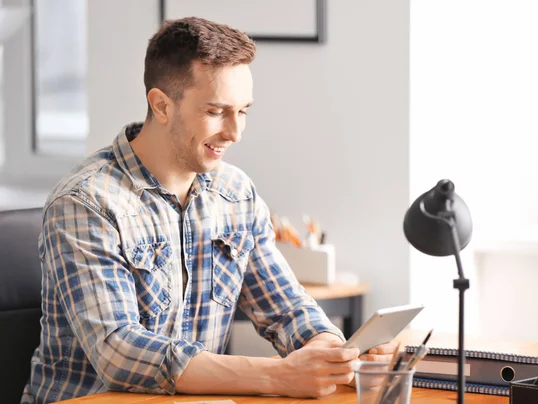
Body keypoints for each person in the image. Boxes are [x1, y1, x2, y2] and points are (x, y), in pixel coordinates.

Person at [21, 17, 397, 404]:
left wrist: (333, 351)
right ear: (161, 105)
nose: (235, 132)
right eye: (217, 111)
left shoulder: (235, 194)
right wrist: (277, 376)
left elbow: (287, 308)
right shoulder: (86, 202)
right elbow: (118, 350)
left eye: (244, 111)